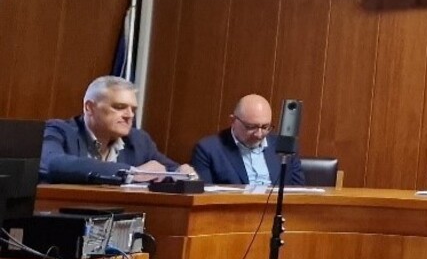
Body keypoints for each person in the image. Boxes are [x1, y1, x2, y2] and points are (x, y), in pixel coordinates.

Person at [40, 76, 196, 184]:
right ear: (90, 108)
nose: (129, 115)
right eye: (119, 107)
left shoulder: (138, 140)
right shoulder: (58, 131)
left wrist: (180, 172)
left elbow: (167, 169)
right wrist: (130, 173)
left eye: (133, 109)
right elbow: (52, 163)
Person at [190, 94, 305, 185]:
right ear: (233, 121)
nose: (259, 135)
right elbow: (205, 196)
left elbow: (298, 193)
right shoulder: (208, 150)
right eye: (251, 127)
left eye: (265, 127)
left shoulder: (285, 147)